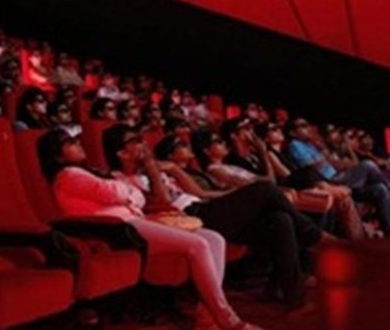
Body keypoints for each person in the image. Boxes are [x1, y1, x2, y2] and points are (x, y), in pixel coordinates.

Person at [37, 129, 261, 330]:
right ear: (57, 155)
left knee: (214, 238)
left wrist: (126, 192)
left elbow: (133, 196)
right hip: (117, 230)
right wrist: (126, 193)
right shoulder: (67, 176)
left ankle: (206, 318)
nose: (77, 142)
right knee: (198, 244)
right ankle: (227, 319)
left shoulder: (88, 173)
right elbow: (118, 193)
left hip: (136, 221)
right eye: (69, 142)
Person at [138, 126, 326, 313]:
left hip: (204, 208)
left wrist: (240, 195)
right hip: (188, 218)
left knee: (280, 219)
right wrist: (155, 169)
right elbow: (162, 200)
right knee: (265, 188)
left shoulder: (170, 173)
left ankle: (292, 297)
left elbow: (200, 193)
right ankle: (315, 238)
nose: (143, 152)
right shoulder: (141, 179)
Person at [286, 118, 390, 235]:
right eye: (302, 126)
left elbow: (332, 163)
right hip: (329, 182)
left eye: (307, 125)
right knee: (368, 165)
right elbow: (309, 169)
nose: (307, 128)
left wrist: (341, 163)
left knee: (379, 188)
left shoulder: (310, 145)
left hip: (339, 177)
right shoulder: (295, 145)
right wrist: (323, 154)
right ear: (292, 133)